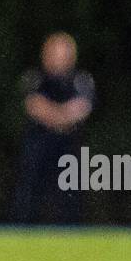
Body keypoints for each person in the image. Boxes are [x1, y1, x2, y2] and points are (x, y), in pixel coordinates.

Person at [14, 33, 95, 225]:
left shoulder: (81, 80)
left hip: (68, 148)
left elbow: (82, 107)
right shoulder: (35, 79)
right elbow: (34, 106)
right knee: (28, 195)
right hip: (38, 145)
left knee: (70, 197)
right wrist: (62, 117)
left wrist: (54, 115)